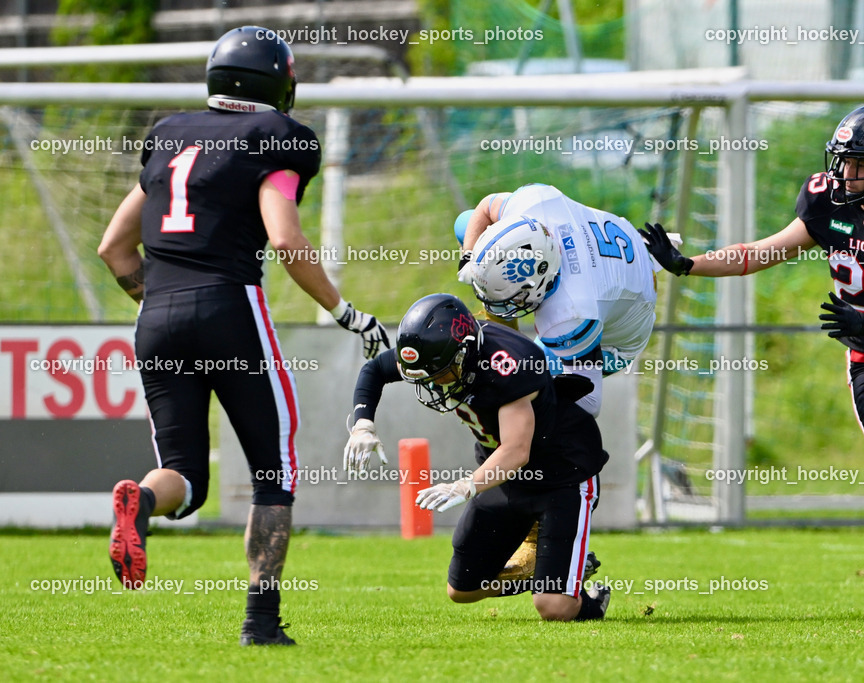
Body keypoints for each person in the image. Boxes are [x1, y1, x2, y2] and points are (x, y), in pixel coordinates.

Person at [641, 104, 864, 611]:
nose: (846, 173)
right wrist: (688, 265)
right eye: (843, 161)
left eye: (860, 164)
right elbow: (759, 252)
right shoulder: (825, 205)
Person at [97, 26, 389, 646]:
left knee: (182, 475)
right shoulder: (276, 139)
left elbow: (113, 246)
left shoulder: (171, 135)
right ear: (278, 84)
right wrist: (346, 313)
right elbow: (284, 238)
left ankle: (141, 504)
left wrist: (157, 301)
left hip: (156, 317)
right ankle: (260, 622)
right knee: (272, 469)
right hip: (229, 305)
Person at [343, 293, 611, 621]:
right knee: (463, 589)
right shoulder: (436, 351)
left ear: (465, 352)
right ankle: (553, 571)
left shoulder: (508, 364)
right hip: (504, 476)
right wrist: (363, 424)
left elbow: (516, 451)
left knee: (553, 606)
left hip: (562, 475)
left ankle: (586, 598)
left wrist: (465, 486)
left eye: (440, 373)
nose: (434, 385)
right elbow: (375, 369)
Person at [457, 183, 659, 418]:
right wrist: (469, 257)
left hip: (619, 341)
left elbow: (590, 402)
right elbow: (485, 208)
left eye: (510, 297)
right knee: (467, 223)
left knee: (518, 380)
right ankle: (504, 347)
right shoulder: (531, 202)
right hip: (626, 254)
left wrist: (532, 406)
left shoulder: (568, 315)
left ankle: (507, 360)